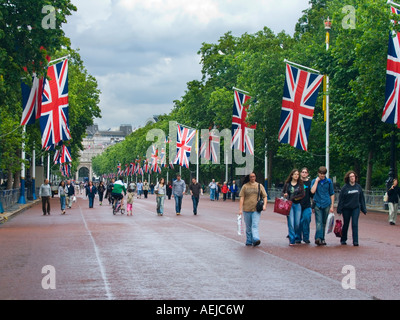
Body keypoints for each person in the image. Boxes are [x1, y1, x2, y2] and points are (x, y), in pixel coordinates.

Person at [337, 171, 367, 246]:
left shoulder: (358, 187)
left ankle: (355, 241)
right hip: (346, 208)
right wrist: (339, 209)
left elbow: (361, 199)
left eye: (353, 176)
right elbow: (341, 199)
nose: (352, 178)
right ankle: (343, 239)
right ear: (348, 178)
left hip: (355, 208)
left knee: (354, 224)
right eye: (351, 177)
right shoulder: (345, 188)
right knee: (346, 224)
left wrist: (363, 209)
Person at [239, 172, 268, 247]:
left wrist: (264, 205)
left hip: (256, 209)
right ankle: (249, 240)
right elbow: (242, 198)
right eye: (251, 177)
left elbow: (265, 196)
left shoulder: (259, 185)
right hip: (246, 209)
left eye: (254, 176)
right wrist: (240, 209)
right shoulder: (245, 186)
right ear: (249, 177)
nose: (252, 178)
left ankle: (255, 238)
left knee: (255, 225)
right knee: (248, 226)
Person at [311, 166, 335, 246]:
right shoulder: (314, 181)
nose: (322, 176)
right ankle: (318, 238)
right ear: (318, 173)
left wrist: (332, 206)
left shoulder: (328, 182)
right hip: (317, 203)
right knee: (319, 222)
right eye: (321, 174)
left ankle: (322, 238)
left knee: (324, 222)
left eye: (323, 175)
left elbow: (331, 193)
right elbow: (312, 191)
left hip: (326, 203)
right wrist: (316, 182)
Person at [283, 169, 305, 246]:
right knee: (291, 222)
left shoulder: (300, 184)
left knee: (297, 223)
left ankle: (294, 235)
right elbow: (284, 192)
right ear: (292, 175)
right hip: (289, 205)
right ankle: (292, 239)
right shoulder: (287, 184)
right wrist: (285, 195)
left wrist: (294, 197)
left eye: (297, 174)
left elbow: (302, 194)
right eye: (295, 174)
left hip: (297, 204)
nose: (296, 176)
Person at [300, 168, 312, 244]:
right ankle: (298, 237)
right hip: (298, 205)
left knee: (306, 219)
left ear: (307, 174)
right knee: (298, 222)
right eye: (303, 172)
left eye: (305, 172)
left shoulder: (309, 183)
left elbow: (312, 194)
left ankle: (306, 237)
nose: (304, 173)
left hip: (307, 205)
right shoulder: (298, 182)